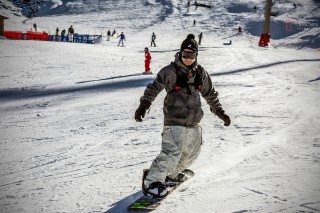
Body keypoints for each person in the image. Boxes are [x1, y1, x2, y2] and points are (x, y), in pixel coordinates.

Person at [134, 34, 231, 198]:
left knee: (191, 153)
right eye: (184, 54)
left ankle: (171, 175)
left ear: (196, 56)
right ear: (180, 53)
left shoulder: (201, 73)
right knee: (172, 152)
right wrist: (144, 105)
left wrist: (220, 112)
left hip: (193, 122)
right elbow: (153, 88)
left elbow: (210, 94)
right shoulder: (170, 71)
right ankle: (151, 182)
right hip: (174, 120)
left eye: (191, 55)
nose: (187, 58)